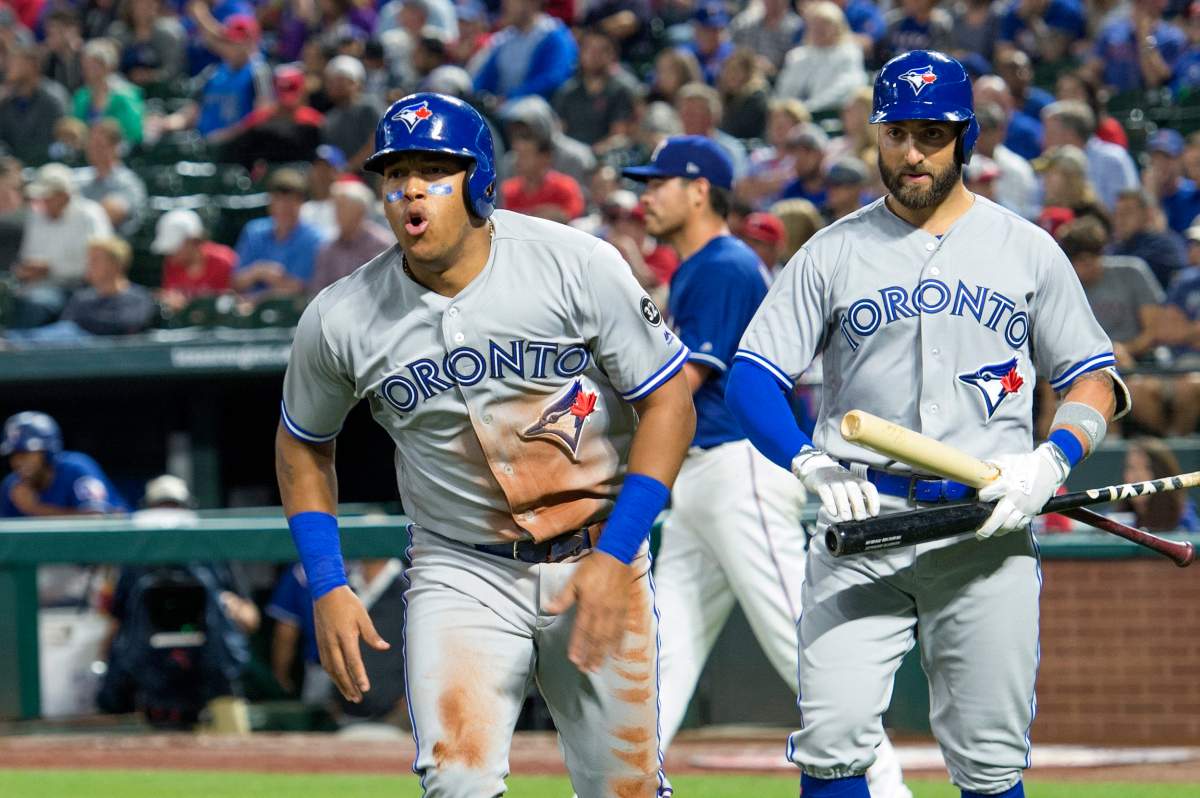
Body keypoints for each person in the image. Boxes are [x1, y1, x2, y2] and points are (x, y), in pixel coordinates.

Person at [724, 50, 1129, 798]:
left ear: (965, 137)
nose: (912, 153)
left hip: (986, 527)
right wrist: (809, 463)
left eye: (932, 134)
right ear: (875, 138)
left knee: (990, 760)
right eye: (896, 133)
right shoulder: (832, 251)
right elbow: (751, 374)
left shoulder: (1026, 248)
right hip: (862, 522)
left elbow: (1092, 379)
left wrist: (1051, 462)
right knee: (831, 744)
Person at [274, 92, 694, 795]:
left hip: (596, 547)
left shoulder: (575, 263)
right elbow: (301, 445)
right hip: (460, 566)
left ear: (481, 180)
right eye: (394, 171)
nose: (410, 188)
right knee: (456, 781)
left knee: (623, 789)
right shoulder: (341, 316)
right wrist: (327, 582)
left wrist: (619, 548)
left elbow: (670, 400)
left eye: (434, 168)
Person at [623, 136, 912, 798]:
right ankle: (629, 783)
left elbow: (685, 382)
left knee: (804, 645)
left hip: (739, 470)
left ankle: (889, 789)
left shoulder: (723, 264)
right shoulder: (700, 265)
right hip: (702, 477)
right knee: (662, 648)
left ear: (700, 190)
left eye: (658, 182)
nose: (645, 195)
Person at [12, 163, 113, 327]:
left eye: (48, 196)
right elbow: (27, 256)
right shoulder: (36, 216)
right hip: (38, 287)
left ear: (65, 195)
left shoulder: (91, 215)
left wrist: (52, 268)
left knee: (35, 304)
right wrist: (27, 269)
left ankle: (20, 349)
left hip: (80, 289)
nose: (43, 201)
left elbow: (101, 265)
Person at [231, 169, 325, 299]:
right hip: (247, 311)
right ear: (270, 202)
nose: (284, 208)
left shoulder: (313, 238)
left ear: (301, 203)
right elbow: (236, 282)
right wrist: (259, 271)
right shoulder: (254, 231)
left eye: (290, 201)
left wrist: (256, 301)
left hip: (290, 312)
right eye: (279, 200)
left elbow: (298, 288)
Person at [60, 236, 159, 335]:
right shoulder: (80, 299)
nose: (89, 265)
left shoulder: (140, 298)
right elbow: (66, 329)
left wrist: (85, 324)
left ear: (116, 264)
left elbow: (127, 326)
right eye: (89, 260)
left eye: (96, 260)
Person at [308, 180, 392, 294]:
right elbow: (318, 289)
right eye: (336, 206)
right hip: (331, 308)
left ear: (360, 211)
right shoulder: (327, 248)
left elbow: (383, 288)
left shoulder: (381, 244)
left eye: (342, 206)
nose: (336, 212)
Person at [0, 36, 68, 167]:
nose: (8, 66)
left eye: (15, 61)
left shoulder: (53, 98)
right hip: (11, 172)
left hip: (45, 169)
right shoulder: (6, 101)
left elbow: (52, 143)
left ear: (31, 65)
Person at [153, 208, 237, 313]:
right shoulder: (170, 264)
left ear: (192, 241)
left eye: (175, 247)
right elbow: (169, 296)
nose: (170, 254)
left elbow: (238, 300)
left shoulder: (224, 260)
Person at [79, 119, 147, 236]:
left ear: (115, 147)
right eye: (91, 144)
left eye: (100, 145)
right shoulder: (79, 178)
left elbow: (110, 214)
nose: (93, 150)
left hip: (112, 246)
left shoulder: (128, 182)